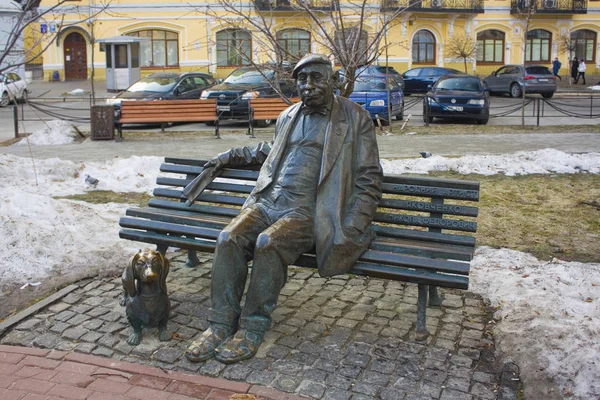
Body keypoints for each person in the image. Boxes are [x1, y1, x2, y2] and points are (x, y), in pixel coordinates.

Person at [184, 54, 383, 364]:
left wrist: (354, 225)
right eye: (302, 80)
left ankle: (252, 327)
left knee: (269, 242)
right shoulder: (288, 115)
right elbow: (269, 150)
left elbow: (368, 178)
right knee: (228, 238)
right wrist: (227, 157)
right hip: (269, 202)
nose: (308, 85)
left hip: (309, 212)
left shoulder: (355, 118)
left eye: (316, 78)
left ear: (333, 80)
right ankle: (220, 324)